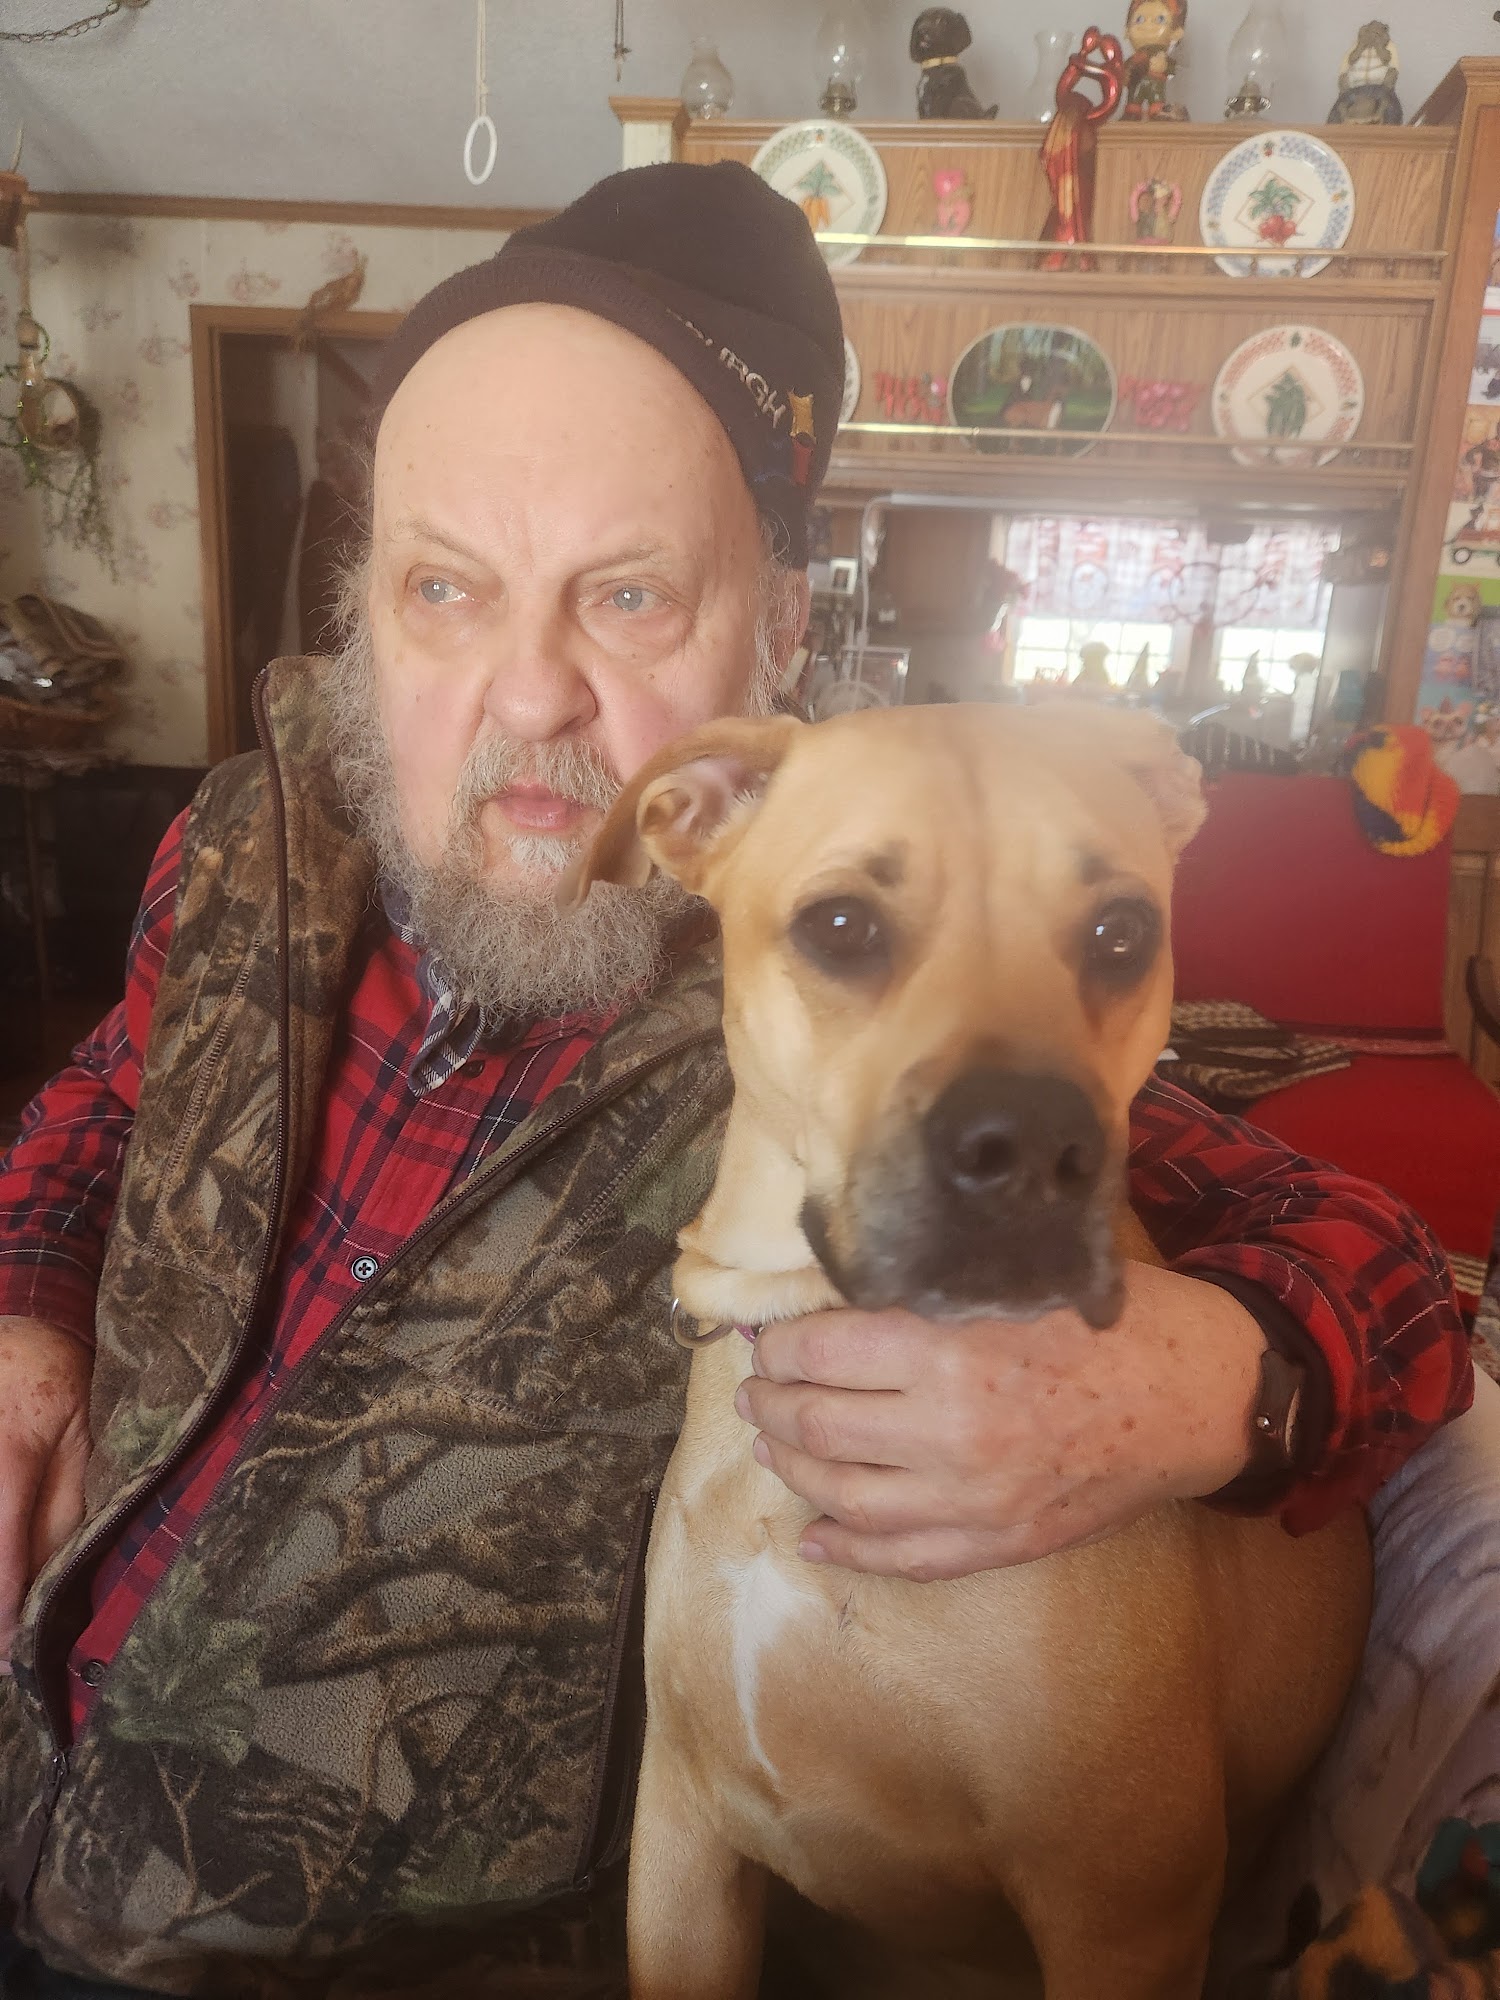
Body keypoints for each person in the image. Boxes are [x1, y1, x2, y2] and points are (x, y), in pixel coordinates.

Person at [0, 162, 1475, 1999]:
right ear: (363, 600)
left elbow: (1371, 1268)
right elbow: (103, 1104)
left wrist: (1218, 1385)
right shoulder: (242, 839)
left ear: (776, 630)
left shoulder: (824, 962)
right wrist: (26, 1321)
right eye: (445, 588)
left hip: (325, 1955)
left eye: (625, 595)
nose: (527, 694)